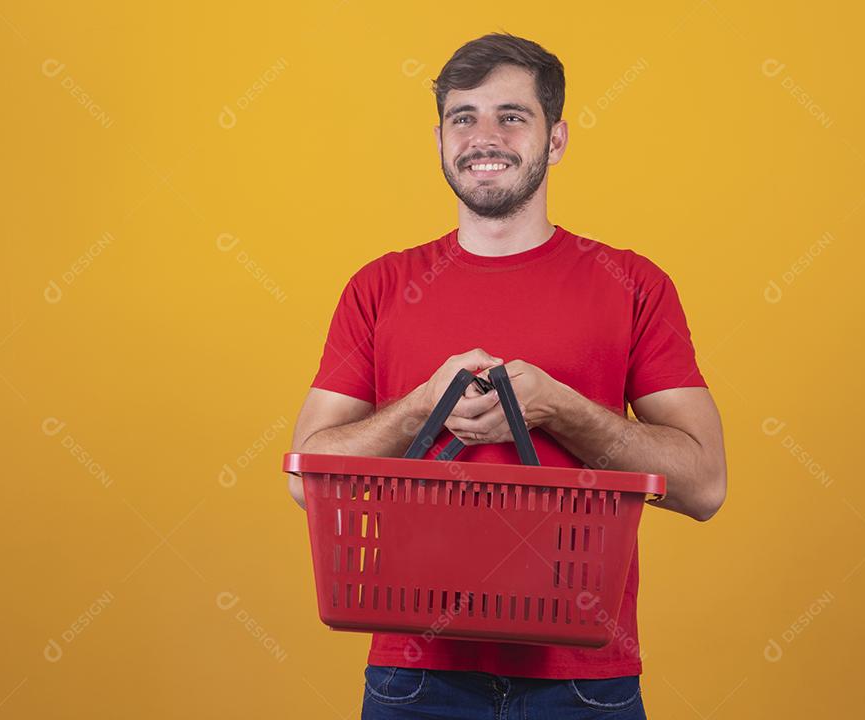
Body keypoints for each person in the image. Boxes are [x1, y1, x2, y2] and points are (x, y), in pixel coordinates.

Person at [287, 32, 727, 719]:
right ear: (439, 139)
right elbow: (302, 474)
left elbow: (704, 484)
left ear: (555, 139)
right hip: (414, 680)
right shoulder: (378, 288)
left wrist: (559, 407)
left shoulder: (634, 285)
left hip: (583, 682)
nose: (483, 137)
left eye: (511, 116)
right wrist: (420, 406)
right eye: (464, 118)